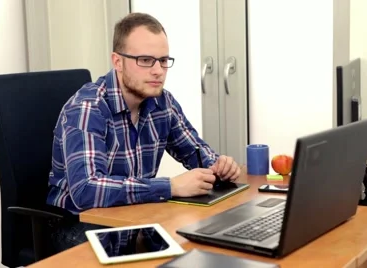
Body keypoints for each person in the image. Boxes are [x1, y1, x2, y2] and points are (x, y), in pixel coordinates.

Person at [46, 12, 241, 252]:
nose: (158, 70)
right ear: (117, 61)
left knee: (212, 249)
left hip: (134, 218)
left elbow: (198, 154)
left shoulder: (162, 103)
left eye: (163, 60)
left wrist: (219, 167)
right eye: (146, 60)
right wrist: (169, 187)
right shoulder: (88, 109)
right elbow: (86, 190)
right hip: (78, 228)